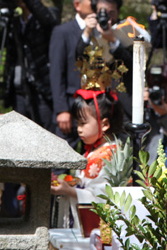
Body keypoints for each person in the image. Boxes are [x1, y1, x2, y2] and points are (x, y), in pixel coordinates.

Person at [0, 0, 60, 131]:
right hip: (19, 91)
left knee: (45, 135)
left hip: (42, 91)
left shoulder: (48, 14)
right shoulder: (13, 21)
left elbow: (49, 22)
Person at [50, 86, 124, 230]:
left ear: (105, 124)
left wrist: (69, 191)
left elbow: (102, 198)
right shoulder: (95, 151)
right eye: (77, 123)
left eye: (83, 123)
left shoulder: (110, 155)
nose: (79, 129)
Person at [76, 0, 151, 120]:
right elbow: (79, 58)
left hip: (125, 102)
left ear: (118, 11)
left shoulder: (128, 29)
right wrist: (87, 31)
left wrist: (113, 41)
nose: (108, 18)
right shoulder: (90, 31)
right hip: (98, 103)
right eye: (103, 12)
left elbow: (133, 64)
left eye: (112, 13)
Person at [49, 0, 96, 147]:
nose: (96, 4)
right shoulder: (62, 32)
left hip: (95, 108)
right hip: (70, 106)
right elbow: (56, 72)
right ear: (77, 4)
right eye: (92, 0)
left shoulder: (102, 31)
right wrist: (61, 109)